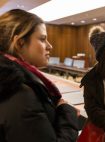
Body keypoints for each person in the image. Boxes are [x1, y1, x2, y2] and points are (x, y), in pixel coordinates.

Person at [0, 9, 79, 142]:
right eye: (42, 39)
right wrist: (68, 114)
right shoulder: (20, 94)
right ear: (20, 43)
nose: (50, 46)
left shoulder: (12, 83)